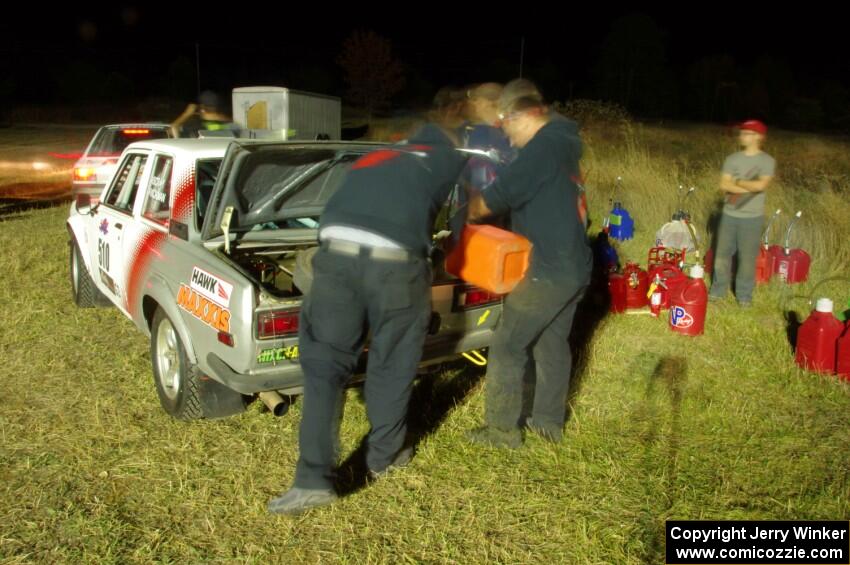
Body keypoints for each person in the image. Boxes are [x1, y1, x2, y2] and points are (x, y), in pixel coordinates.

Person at [267, 123, 468, 515]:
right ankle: (383, 456)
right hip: (396, 268)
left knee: (325, 369)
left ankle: (311, 480)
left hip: (337, 260)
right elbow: (462, 216)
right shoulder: (443, 161)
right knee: (392, 364)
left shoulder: (366, 161)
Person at [464, 79, 592, 447]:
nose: (505, 130)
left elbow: (494, 198)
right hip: (574, 266)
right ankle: (548, 424)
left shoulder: (541, 151)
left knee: (507, 346)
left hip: (548, 270)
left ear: (525, 115)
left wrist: (463, 214)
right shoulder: (564, 144)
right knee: (551, 345)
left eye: (506, 121)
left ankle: (502, 432)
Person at [709, 120, 776, 307]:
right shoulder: (732, 159)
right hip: (729, 216)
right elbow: (724, 185)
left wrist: (737, 182)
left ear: (758, 137)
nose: (742, 136)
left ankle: (744, 296)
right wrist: (749, 186)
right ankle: (717, 292)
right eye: (742, 132)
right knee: (722, 255)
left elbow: (761, 185)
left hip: (752, 219)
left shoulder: (767, 161)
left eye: (747, 133)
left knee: (747, 259)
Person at [170, 91, 237, 138]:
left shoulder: (195, 126)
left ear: (202, 108)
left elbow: (173, 129)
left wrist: (187, 114)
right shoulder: (231, 125)